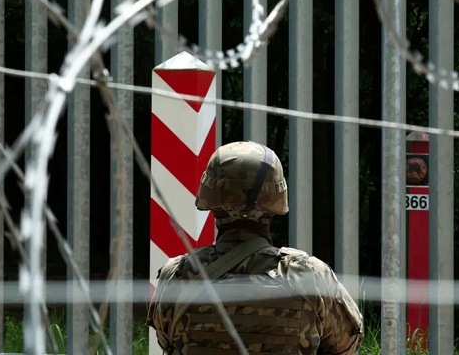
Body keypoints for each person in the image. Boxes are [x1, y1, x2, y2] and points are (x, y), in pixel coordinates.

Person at [146, 141, 363, 354]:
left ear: (210, 198)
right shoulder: (309, 276)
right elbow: (347, 345)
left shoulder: (178, 274)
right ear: (276, 200)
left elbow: (167, 342)